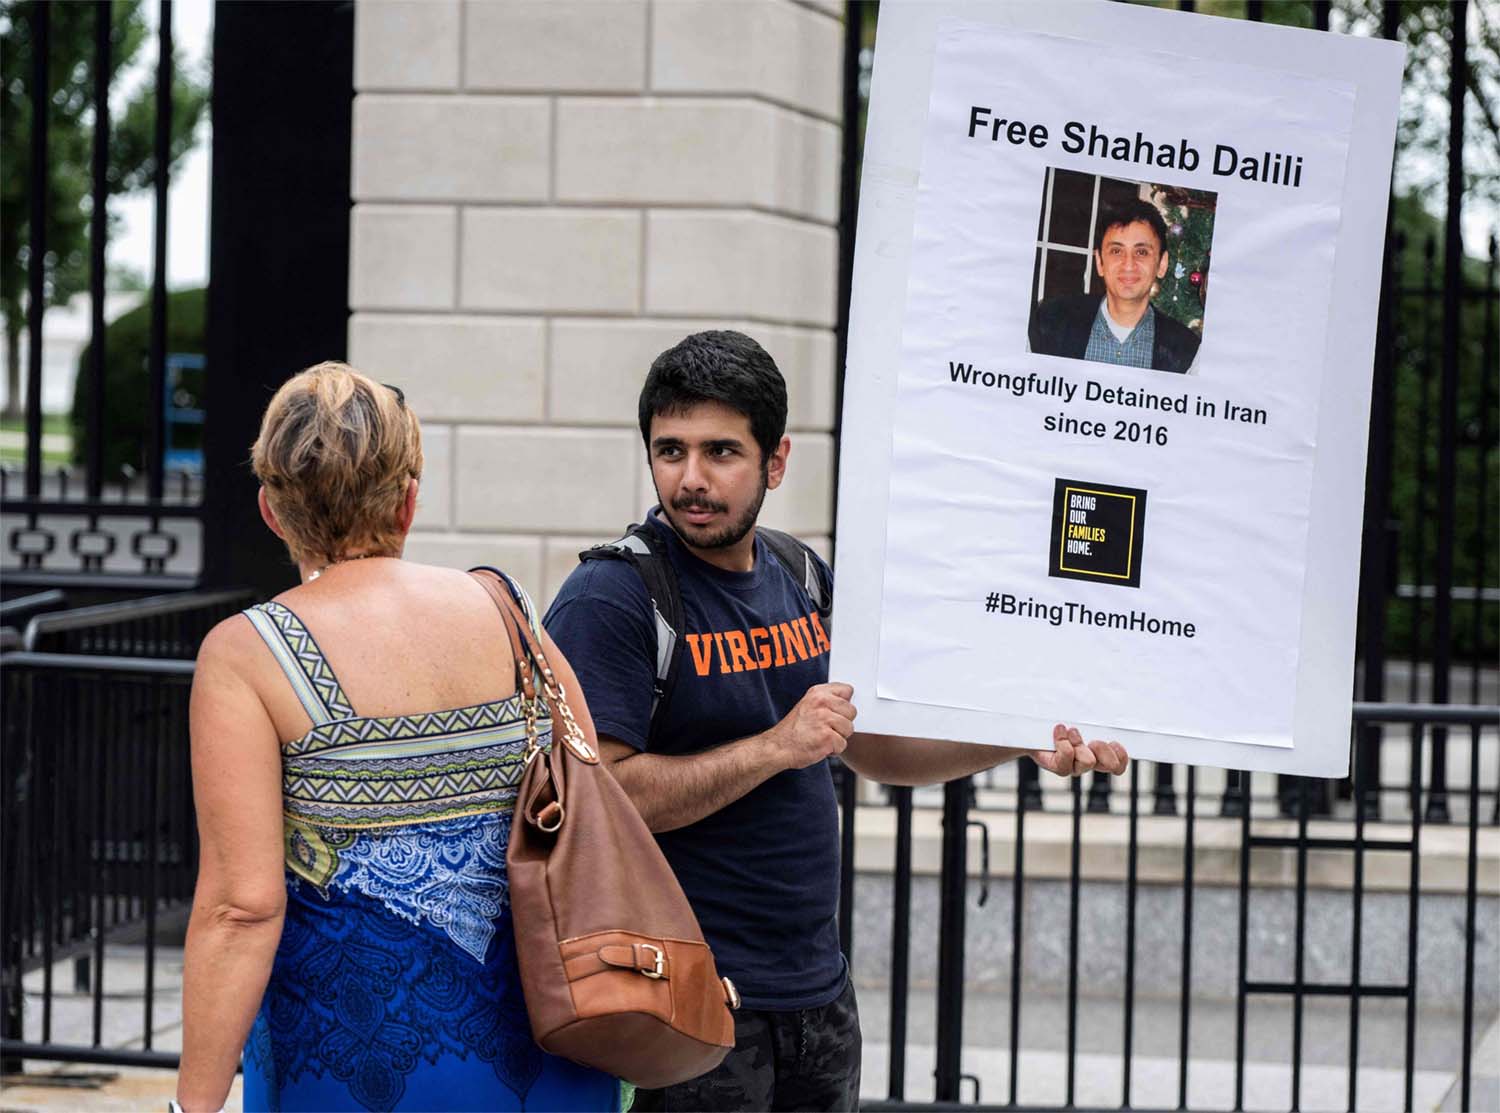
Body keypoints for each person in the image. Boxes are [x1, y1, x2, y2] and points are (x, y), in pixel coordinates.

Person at [543, 330, 1130, 1112]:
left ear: (775, 461)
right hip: (685, 1001)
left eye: (721, 451)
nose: (690, 478)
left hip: (817, 995)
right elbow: (599, 798)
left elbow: (876, 745)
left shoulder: (799, 573)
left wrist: (1017, 738)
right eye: (670, 450)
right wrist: (774, 748)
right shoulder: (612, 597)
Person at [175, 363, 620, 1113]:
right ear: (409, 500)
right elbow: (589, 779)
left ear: (272, 512)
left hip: (350, 1063)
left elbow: (241, 907)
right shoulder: (506, 607)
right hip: (553, 1052)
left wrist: (191, 1103)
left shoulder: (249, 652)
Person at [1029, 198, 1201, 373]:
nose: (1128, 265)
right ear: (1099, 262)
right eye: (1116, 251)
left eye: (1141, 252)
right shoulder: (1050, 323)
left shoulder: (1188, 351)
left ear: (1162, 264)